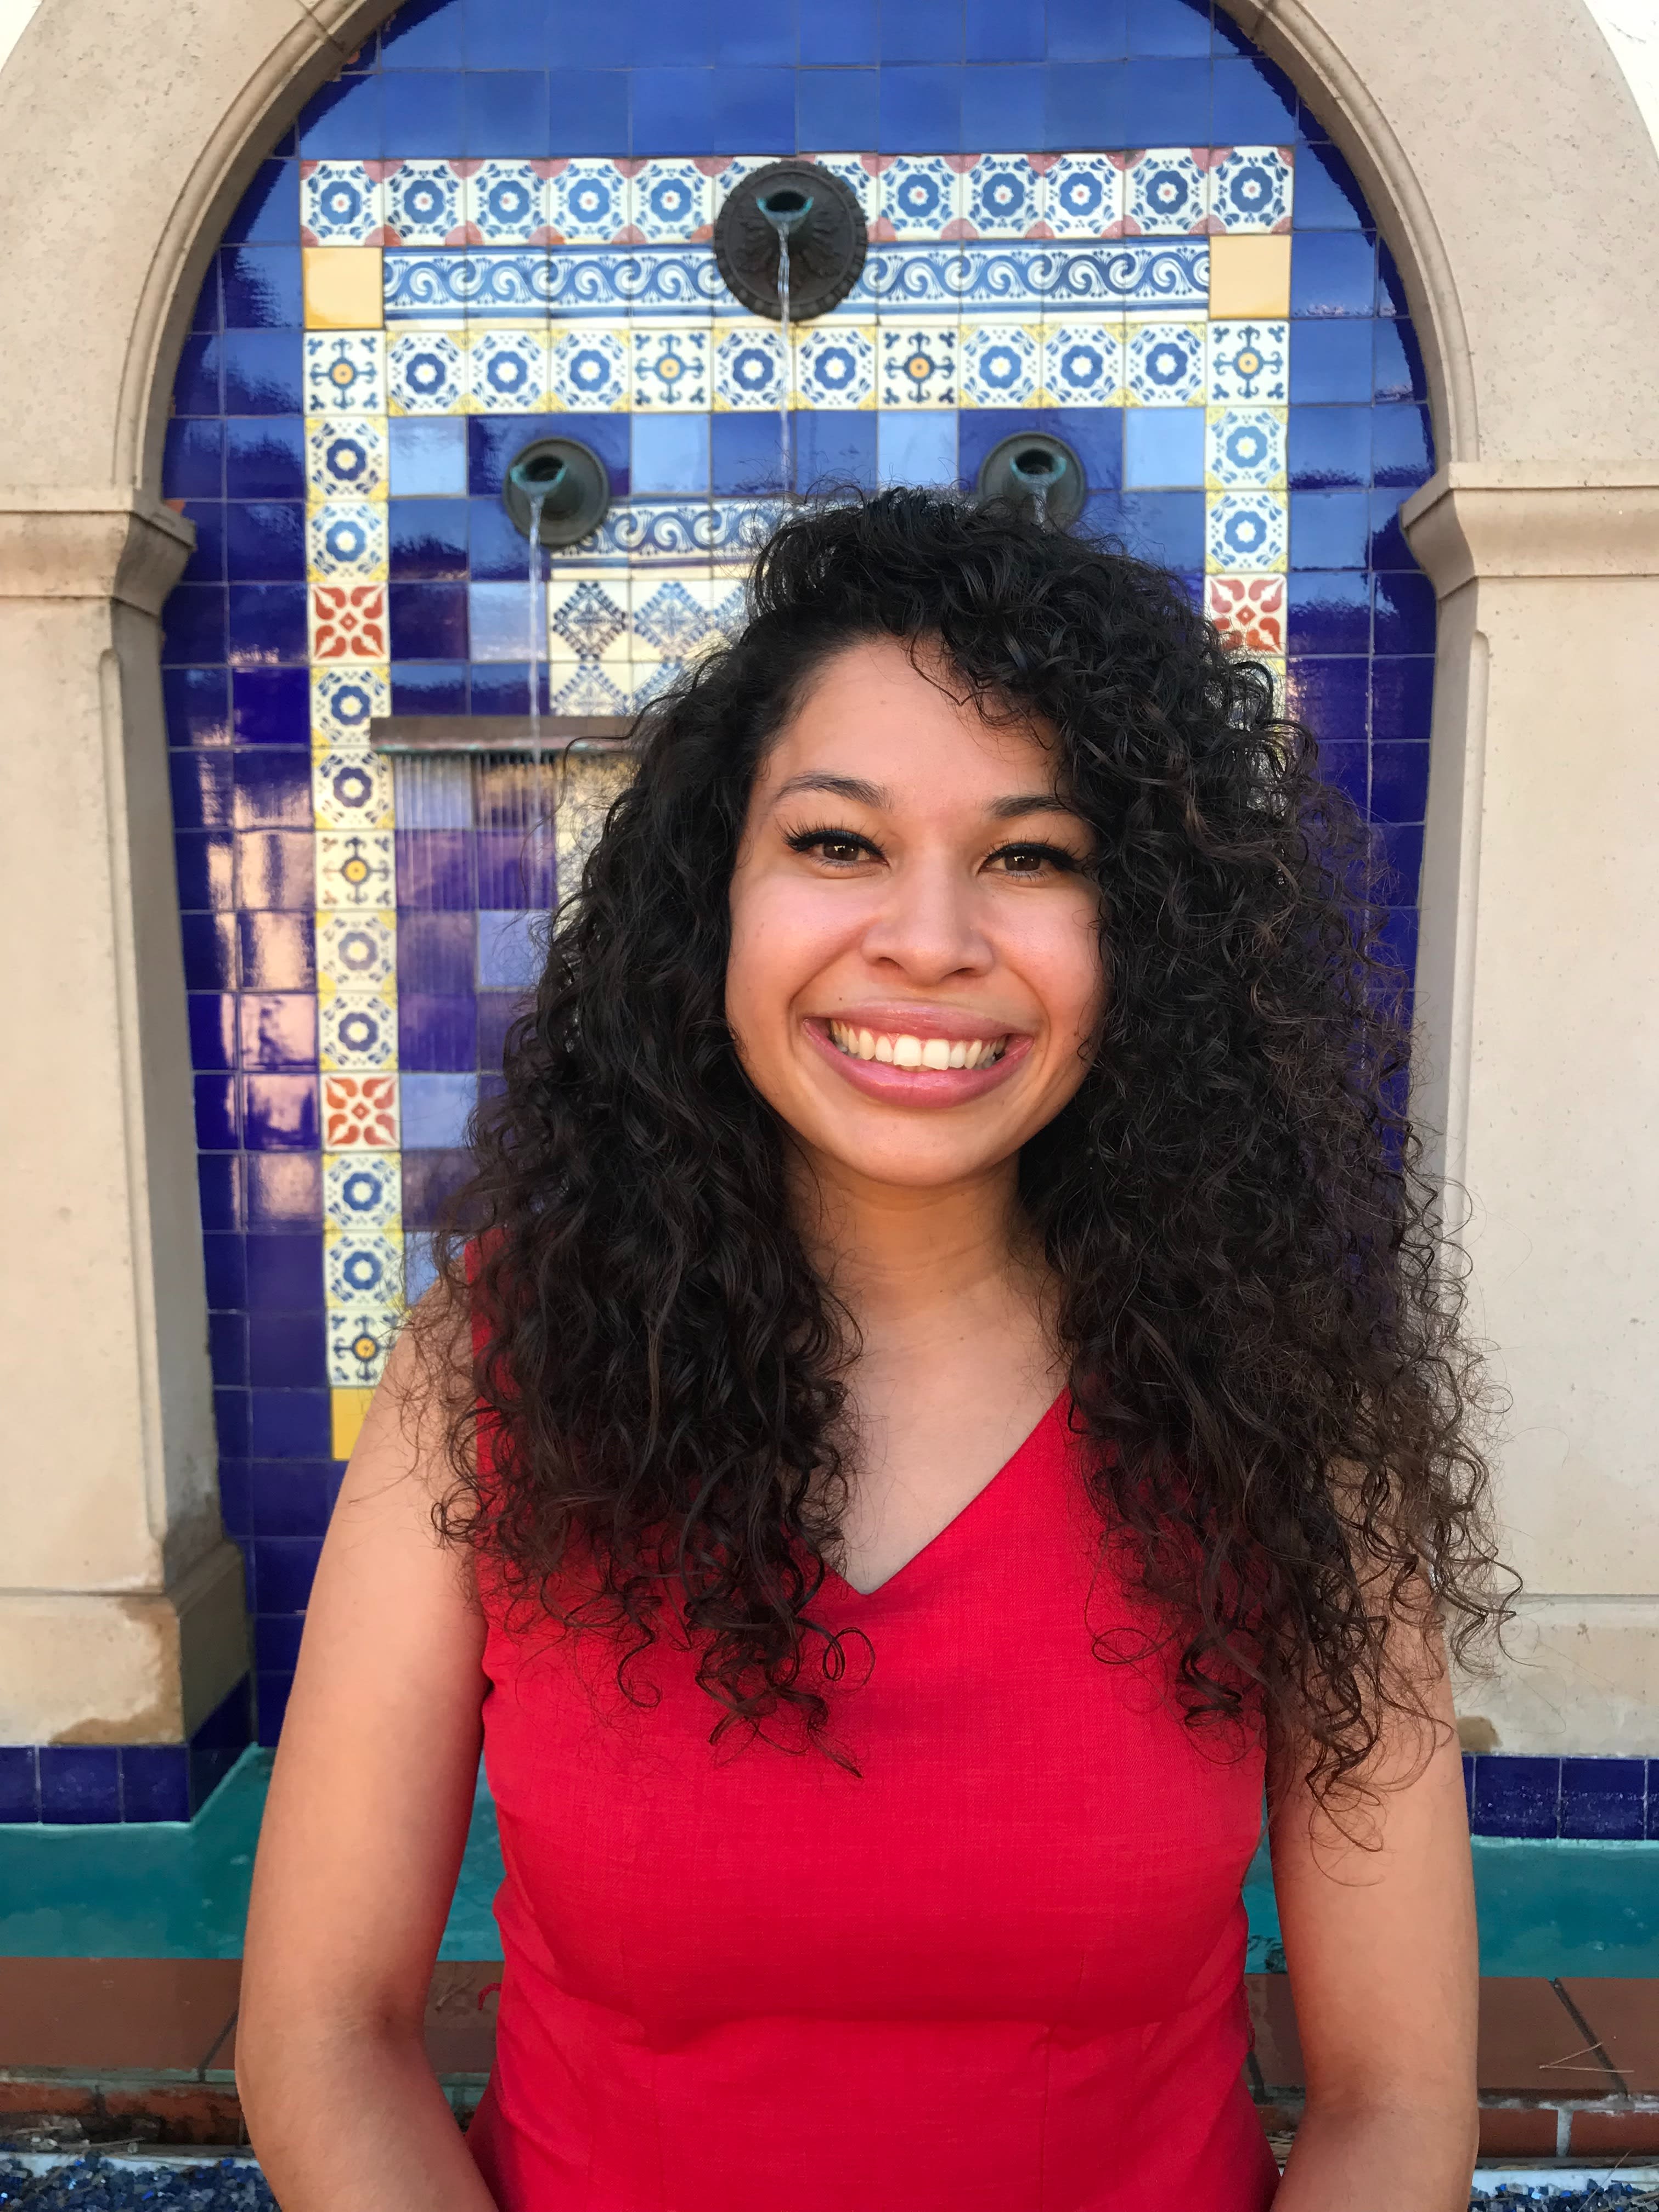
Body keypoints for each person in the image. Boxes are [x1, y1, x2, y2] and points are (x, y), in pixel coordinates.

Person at [238, 489, 1503, 2211]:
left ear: (1149, 944)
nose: (929, 940)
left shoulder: (1287, 1408)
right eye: (838, 843)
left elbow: (1394, 2106)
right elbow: (324, 2033)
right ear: (716, 904)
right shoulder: (492, 1372)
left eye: (1033, 857)